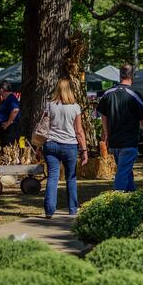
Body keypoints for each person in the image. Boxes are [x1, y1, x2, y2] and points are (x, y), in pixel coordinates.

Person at [97, 64, 143, 192]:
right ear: (132, 76)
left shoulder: (107, 94)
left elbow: (103, 116)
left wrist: (106, 134)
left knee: (126, 171)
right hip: (129, 141)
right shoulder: (135, 94)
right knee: (123, 172)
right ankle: (117, 201)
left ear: (120, 75)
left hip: (114, 142)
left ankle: (131, 198)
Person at [42, 78, 89, 218]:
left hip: (51, 144)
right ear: (70, 90)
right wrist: (84, 150)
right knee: (71, 178)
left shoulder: (49, 105)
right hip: (70, 146)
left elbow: (44, 128)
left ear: (57, 89)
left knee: (52, 177)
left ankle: (49, 210)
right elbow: (79, 131)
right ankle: (73, 209)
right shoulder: (75, 107)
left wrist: (38, 147)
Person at [0, 80, 20, 146]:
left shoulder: (11, 98)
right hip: (6, 130)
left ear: (2, 90)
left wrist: (8, 123)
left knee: (8, 149)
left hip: (10, 130)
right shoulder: (7, 99)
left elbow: (15, 110)